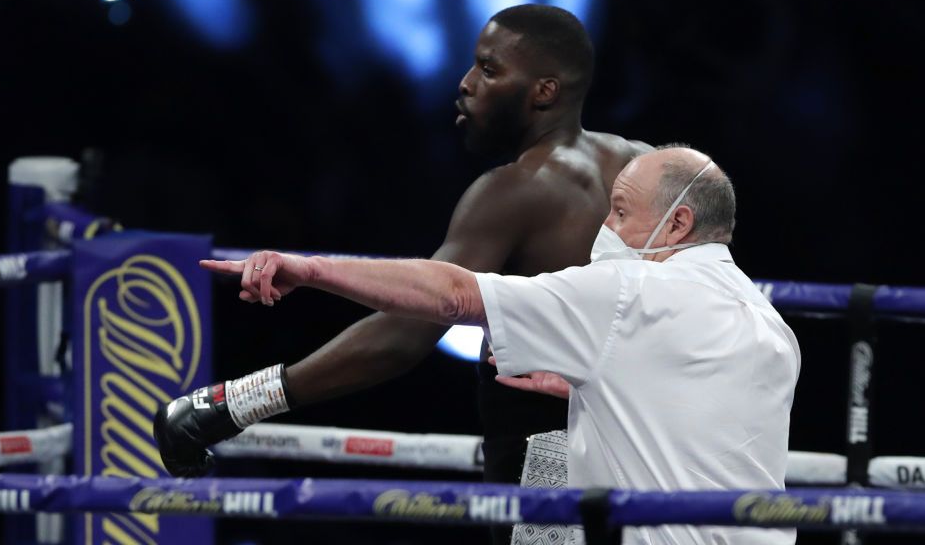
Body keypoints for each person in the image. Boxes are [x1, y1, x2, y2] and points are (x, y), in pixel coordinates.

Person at [154, 3, 651, 544]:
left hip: (555, 456)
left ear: (545, 92)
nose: (464, 85)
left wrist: (232, 405)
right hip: (656, 450)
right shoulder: (648, 167)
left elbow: (404, 334)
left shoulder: (515, 189)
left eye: (488, 69)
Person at [186, 145, 800, 545]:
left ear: (679, 225)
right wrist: (602, 385)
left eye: (618, 212)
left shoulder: (629, 290)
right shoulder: (770, 325)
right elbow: (700, 417)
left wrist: (311, 270)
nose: (605, 229)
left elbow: (453, 295)